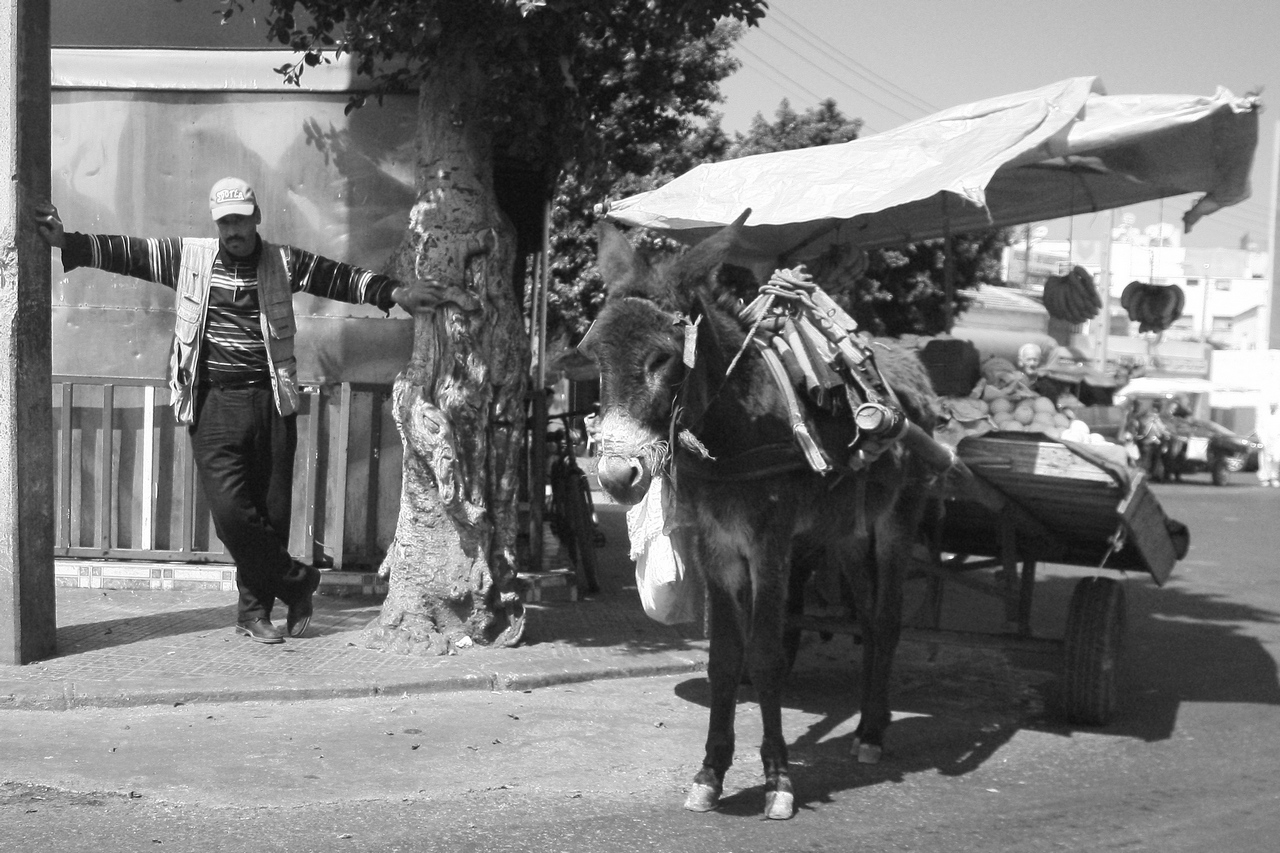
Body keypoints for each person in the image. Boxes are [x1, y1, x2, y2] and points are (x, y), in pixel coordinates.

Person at [33, 178, 453, 645]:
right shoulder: (190, 259)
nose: (233, 230)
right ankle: (298, 582)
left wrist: (396, 294)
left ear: (256, 218)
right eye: (224, 222)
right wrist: (67, 242)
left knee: (270, 515)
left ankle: (254, 614)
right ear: (217, 224)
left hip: (272, 402)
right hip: (213, 402)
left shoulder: (282, 262)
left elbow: (339, 278)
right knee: (232, 515)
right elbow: (128, 252)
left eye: (240, 219)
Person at [1256, 400, 1280, 487]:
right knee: (1265, 460)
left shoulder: (1278, 416)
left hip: (1277, 440)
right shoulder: (1264, 416)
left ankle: (1274, 477)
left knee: (1276, 459)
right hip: (1266, 440)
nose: (1273, 406)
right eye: (1271, 405)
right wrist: (1261, 439)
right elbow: (1259, 428)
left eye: (1275, 405)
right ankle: (1265, 478)